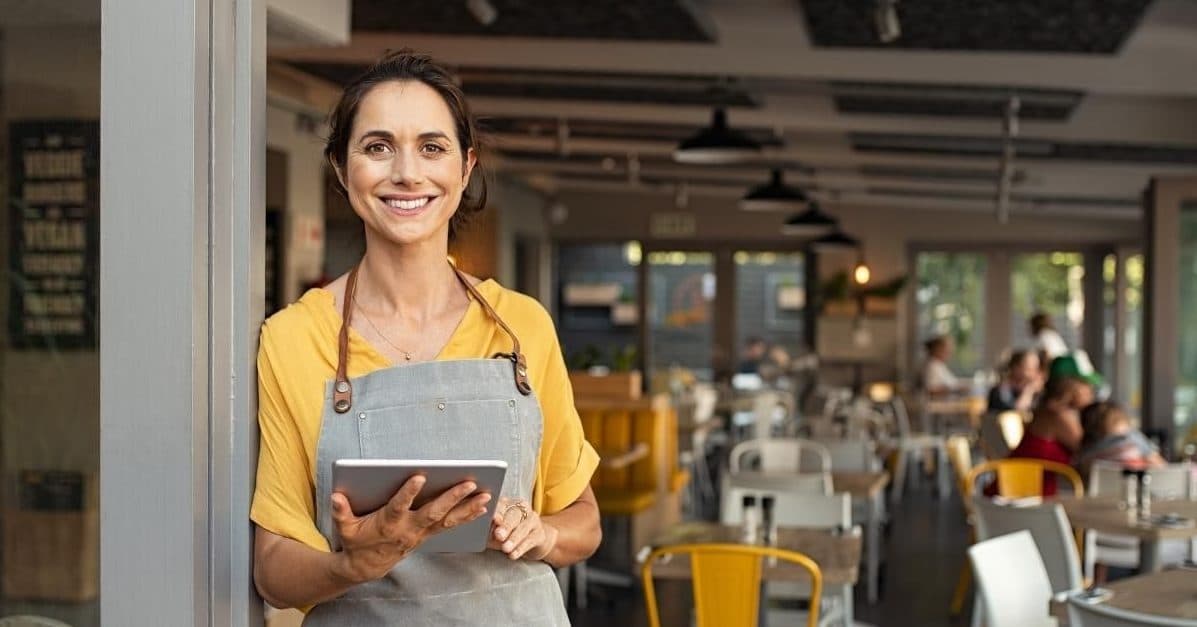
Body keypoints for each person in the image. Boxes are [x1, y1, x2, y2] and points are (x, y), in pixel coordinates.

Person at [250, 51, 600, 624]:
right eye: (377, 147)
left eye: (431, 148)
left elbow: (582, 521)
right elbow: (273, 569)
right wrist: (355, 563)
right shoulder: (294, 337)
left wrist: (540, 534)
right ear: (342, 169)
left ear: (465, 168)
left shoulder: (521, 326)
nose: (407, 173)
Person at [1008, 376, 1092, 496]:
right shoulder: (1060, 416)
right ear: (1072, 394)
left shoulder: (1047, 411)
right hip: (1026, 491)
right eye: (1086, 393)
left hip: (1021, 483)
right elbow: (1086, 447)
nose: (1091, 398)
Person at [1075, 401, 1165, 480]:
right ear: (1120, 420)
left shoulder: (1085, 452)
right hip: (1134, 492)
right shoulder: (1132, 438)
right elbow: (1161, 467)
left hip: (1099, 497)